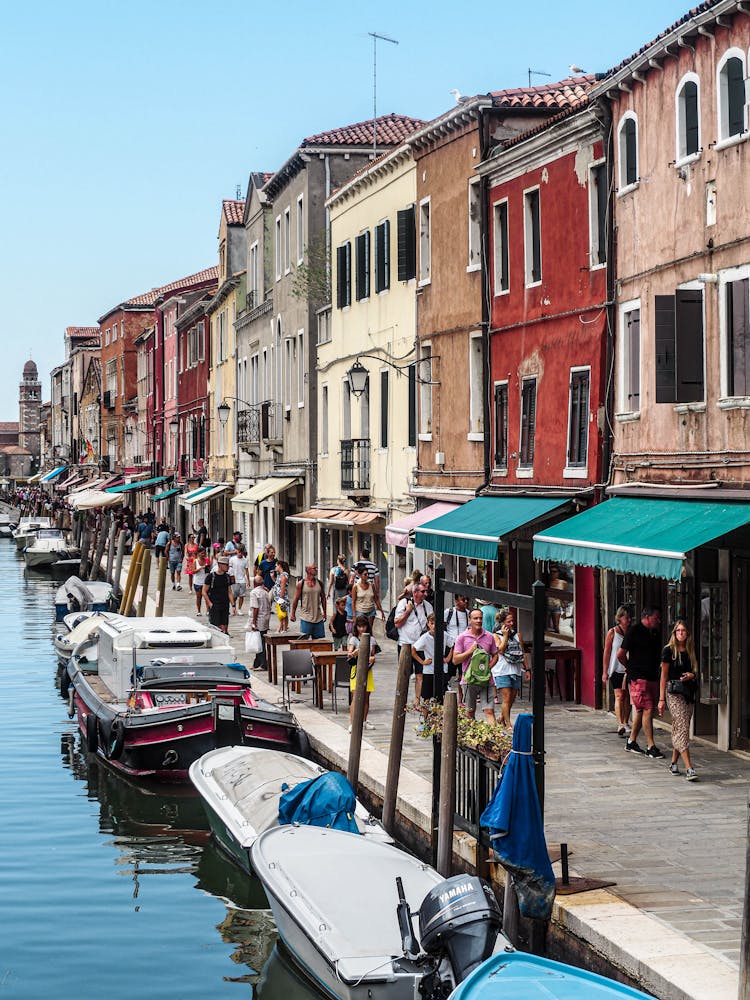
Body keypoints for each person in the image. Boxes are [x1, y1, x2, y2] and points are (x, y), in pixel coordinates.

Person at [618, 606, 665, 758]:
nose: (658, 620)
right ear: (646, 616)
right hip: (639, 677)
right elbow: (621, 654)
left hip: (652, 676)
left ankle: (631, 741)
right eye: (656, 617)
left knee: (639, 710)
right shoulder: (634, 631)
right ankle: (651, 746)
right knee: (648, 709)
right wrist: (629, 667)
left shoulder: (655, 632)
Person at [659, 620, 699, 780]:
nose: (681, 633)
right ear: (674, 633)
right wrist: (661, 699)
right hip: (674, 693)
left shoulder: (690, 650)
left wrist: (692, 675)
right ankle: (689, 768)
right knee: (682, 728)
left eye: (683, 631)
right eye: (678, 630)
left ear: (687, 633)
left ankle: (674, 763)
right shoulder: (668, 651)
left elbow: (696, 670)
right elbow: (663, 676)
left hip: (688, 693)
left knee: (680, 728)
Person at [452, 608, 499, 724]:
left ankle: (492, 738)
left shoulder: (489, 636)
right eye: (475, 618)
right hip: (469, 680)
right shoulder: (462, 637)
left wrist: (488, 668)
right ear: (470, 620)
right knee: (469, 713)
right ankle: (472, 740)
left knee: (489, 711)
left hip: (486, 679)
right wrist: (470, 651)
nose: (478, 621)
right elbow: (455, 660)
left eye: (480, 618)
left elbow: (496, 655)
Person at [394, 582, 433, 704]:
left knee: (420, 674)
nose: (425, 594)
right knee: (404, 674)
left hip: (421, 645)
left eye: (426, 591)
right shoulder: (404, 603)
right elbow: (397, 623)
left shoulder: (428, 606)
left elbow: (432, 622)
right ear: (415, 592)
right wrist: (408, 611)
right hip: (406, 644)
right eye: (422, 591)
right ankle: (401, 699)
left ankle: (417, 700)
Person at [492, 609, 530, 730]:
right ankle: (508, 724)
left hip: (516, 669)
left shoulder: (518, 635)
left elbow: (522, 652)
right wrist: (506, 636)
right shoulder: (496, 636)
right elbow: (501, 650)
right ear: (502, 622)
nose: (511, 624)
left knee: (512, 698)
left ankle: (501, 718)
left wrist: (527, 669)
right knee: (507, 697)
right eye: (509, 621)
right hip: (502, 670)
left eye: (512, 621)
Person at [412, 613, 450, 726]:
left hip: (442, 670)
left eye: (436, 623)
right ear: (428, 624)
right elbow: (413, 650)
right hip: (429, 670)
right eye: (432, 623)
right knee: (427, 698)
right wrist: (422, 661)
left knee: (442, 696)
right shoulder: (425, 637)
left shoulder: (444, 635)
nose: (434, 626)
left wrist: (447, 658)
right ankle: (426, 722)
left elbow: (453, 644)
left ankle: (440, 722)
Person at [602, 606, 632, 737]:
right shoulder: (612, 632)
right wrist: (605, 671)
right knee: (619, 696)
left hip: (629, 669)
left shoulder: (632, 632)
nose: (629, 620)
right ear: (620, 618)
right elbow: (607, 652)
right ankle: (620, 723)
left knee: (628, 697)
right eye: (626, 617)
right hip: (616, 668)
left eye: (630, 617)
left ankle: (626, 722)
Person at [347, 615, 379, 732]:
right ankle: (352, 723)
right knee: (355, 697)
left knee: (366, 698)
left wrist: (372, 658)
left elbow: (373, 655)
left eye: (364, 626)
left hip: (368, 670)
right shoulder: (353, 639)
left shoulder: (372, 639)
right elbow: (349, 653)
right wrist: (355, 652)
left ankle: (364, 721)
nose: (362, 629)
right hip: (356, 669)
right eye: (360, 627)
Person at [291, 563, 326, 638]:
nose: (316, 570)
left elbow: (323, 598)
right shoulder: (301, 584)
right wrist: (293, 614)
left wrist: (325, 612)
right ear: (308, 570)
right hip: (306, 617)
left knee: (319, 643)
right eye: (314, 568)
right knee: (304, 641)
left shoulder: (320, 583)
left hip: (318, 618)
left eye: (316, 568)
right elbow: (295, 599)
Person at [247, 573, 272, 671]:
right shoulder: (265, 592)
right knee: (259, 641)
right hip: (265, 619)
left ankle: (263, 664)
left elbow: (255, 608)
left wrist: (253, 622)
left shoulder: (254, 593)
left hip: (259, 620)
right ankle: (257, 663)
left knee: (260, 642)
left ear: (254, 584)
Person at [202, 555, 232, 633]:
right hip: (215, 604)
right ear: (220, 565)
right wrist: (210, 603)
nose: (228, 567)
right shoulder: (211, 577)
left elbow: (229, 591)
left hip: (225, 604)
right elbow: (204, 591)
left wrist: (233, 605)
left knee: (224, 625)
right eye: (226, 565)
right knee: (216, 627)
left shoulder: (227, 577)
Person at [547, 565, 570, 632]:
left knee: (556, 626)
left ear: (558, 573)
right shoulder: (547, 582)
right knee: (546, 626)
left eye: (555, 572)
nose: (553, 573)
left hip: (557, 606)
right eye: (551, 572)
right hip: (547, 606)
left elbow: (565, 597)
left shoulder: (563, 583)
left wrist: (564, 611)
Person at [229, 544, 250, 615]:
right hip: (234, 579)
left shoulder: (245, 560)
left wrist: (248, 580)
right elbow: (230, 569)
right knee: (235, 595)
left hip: (242, 579)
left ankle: (239, 609)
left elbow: (246, 570)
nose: (240, 554)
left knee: (242, 595)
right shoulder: (232, 559)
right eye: (239, 552)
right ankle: (233, 607)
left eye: (241, 552)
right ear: (236, 551)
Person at [272, 559, 290, 632]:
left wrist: (281, 598)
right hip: (278, 597)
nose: (275, 567)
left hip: (282, 598)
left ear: (279, 566)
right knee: (282, 613)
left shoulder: (284, 575)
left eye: (276, 566)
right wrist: (273, 577)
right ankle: (284, 629)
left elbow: (282, 587)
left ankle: (280, 629)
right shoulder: (279, 575)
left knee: (282, 613)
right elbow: (277, 584)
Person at [192, 548, 207, 615]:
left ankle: (207, 611)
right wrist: (201, 568)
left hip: (205, 581)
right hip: (197, 581)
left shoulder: (206, 560)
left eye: (204, 553)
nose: (203, 555)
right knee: (199, 597)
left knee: (206, 596)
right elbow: (193, 571)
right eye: (202, 553)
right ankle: (199, 611)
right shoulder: (195, 561)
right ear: (198, 554)